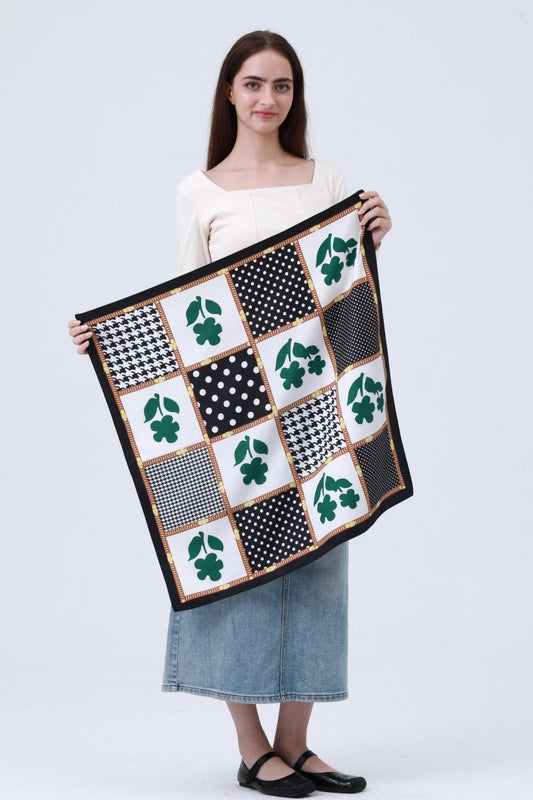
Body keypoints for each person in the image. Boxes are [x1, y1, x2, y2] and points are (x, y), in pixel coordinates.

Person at [69, 30, 392, 798]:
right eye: (252, 84)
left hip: (312, 402)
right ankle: (252, 750)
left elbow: (341, 288)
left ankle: (298, 745)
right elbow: (189, 308)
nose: (266, 100)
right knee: (236, 562)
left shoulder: (326, 179)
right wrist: (108, 342)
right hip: (232, 408)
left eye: (280, 86)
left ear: (294, 96)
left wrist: (374, 235)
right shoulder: (200, 192)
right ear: (229, 93)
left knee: (321, 559)